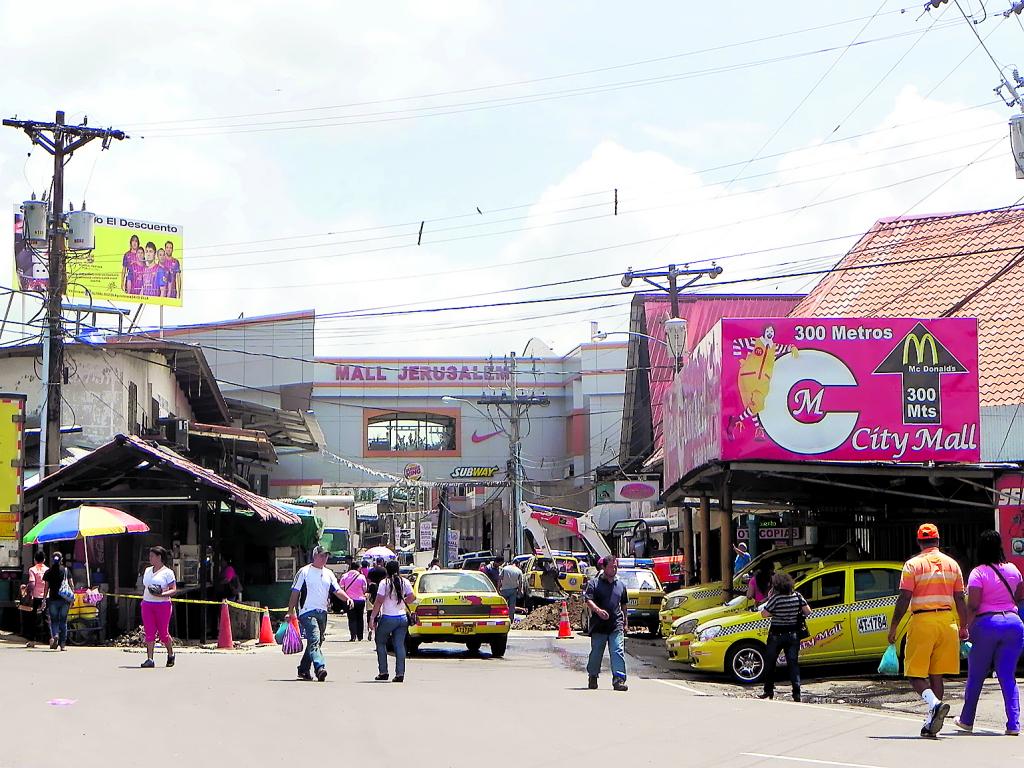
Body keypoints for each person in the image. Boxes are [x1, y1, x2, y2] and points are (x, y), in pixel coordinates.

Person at [887, 523, 969, 739]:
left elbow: (904, 598)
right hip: (946, 622)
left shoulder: (913, 565)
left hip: (922, 621)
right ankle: (931, 724)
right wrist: (963, 626)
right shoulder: (953, 565)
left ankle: (934, 704)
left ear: (919, 541)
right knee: (936, 675)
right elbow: (960, 598)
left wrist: (894, 627)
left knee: (914, 674)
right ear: (938, 541)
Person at [955, 530, 1024, 736]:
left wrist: (964, 628)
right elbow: (1020, 596)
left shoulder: (978, 573)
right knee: (1007, 676)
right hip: (1013, 624)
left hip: (987, 625)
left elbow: (974, 605)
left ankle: (967, 720)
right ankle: (1013, 724)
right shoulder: (1013, 569)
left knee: (976, 675)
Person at [287, 546, 353, 682]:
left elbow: (337, 590)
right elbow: (295, 592)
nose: (324, 558)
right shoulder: (304, 572)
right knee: (315, 638)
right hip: (307, 611)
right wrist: (290, 611)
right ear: (315, 556)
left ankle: (303, 669)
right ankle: (319, 667)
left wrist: (348, 598)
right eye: (322, 555)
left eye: (326, 556)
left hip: (322, 612)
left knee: (316, 641)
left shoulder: (329, 573)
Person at [758, 571, 810, 701]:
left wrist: (770, 599)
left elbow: (764, 614)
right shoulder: (797, 596)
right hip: (793, 635)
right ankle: (796, 693)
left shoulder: (776, 599)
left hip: (776, 634)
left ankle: (768, 691)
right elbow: (808, 611)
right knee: (793, 664)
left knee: (770, 663)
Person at [584, 557, 629, 691]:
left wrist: (625, 621)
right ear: (604, 567)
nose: (614, 569)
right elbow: (588, 599)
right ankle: (593, 676)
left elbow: (624, 604)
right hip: (599, 626)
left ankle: (619, 679)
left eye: (615, 567)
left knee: (617, 650)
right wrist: (598, 611)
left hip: (616, 625)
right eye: (611, 567)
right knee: (596, 653)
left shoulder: (620, 585)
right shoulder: (594, 583)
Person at [369, 560, 416, 682]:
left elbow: (379, 601)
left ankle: (383, 672)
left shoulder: (384, 583)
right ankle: (400, 674)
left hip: (388, 617)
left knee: (380, 642)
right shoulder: (404, 581)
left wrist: (372, 617)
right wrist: (402, 601)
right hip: (402, 618)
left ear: (387, 570)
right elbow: (412, 597)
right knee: (399, 645)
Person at [140, 546, 177, 668]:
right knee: (149, 632)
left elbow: (173, 590)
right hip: (147, 604)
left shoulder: (168, 572)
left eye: (152, 556)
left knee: (163, 633)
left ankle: (170, 654)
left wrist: (161, 594)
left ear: (159, 557)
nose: (150, 558)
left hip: (162, 605)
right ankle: (150, 659)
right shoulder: (147, 570)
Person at [43, 552, 73, 651]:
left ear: (52, 559)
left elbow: (46, 587)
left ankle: (55, 635)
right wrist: (72, 598)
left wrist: (44, 600)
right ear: (61, 559)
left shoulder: (48, 572)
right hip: (64, 599)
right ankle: (63, 645)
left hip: (52, 599)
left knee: (54, 620)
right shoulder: (65, 570)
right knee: (63, 621)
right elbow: (71, 585)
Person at [23, 551, 47, 647]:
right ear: (44, 560)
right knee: (46, 618)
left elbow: (32, 584)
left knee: (33, 619)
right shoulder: (47, 569)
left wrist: (28, 593)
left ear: (34, 560)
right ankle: (51, 639)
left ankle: (32, 641)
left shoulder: (32, 569)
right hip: (46, 596)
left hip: (36, 597)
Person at [338, 565, 368, 641]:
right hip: (360, 600)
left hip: (349, 600)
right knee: (360, 618)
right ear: (358, 568)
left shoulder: (344, 576)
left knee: (351, 618)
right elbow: (365, 589)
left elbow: (341, 588)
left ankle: (353, 636)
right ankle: (360, 636)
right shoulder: (361, 577)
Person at [366, 557, 387, 641]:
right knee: (380, 611)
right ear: (382, 562)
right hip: (382, 592)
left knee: (371, 611)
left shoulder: (372, 570)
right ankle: (377, 630)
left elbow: (368, 580)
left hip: (372, 592)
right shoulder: (384, 570)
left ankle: (371, 628)